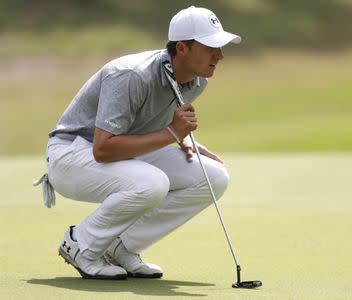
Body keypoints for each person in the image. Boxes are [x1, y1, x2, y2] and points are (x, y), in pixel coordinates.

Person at [34, 6, 241, 280]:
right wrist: (173, 134)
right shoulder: (131, 75)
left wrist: (188, 140)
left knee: (214, 177)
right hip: (72, 155)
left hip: (125, 153)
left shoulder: (198, 79)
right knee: (152, 182)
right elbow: (103, 148)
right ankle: (81, 243)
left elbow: (161, 117)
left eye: (221, 46)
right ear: (182, 48)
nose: (220, 55)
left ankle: (122, 247)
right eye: (211, 46)